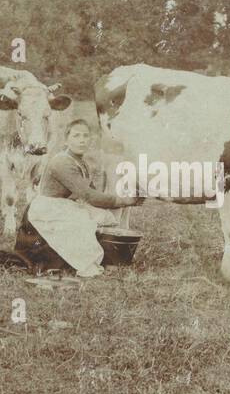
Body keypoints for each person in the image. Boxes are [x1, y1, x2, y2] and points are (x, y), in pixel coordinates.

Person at [26, 119, 143, 278]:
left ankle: (110, 258)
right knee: (83, 224)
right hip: (48, 209)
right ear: (66, 140)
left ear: (90, 140)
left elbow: (92, 193)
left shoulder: (82, 163)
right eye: (76, 136)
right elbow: (89, 195)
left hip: (65, 205)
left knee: (104, 217)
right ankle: (88, 265)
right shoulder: (61, 161)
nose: (81, 140)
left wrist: (127, 199)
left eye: (85, 136)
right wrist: (123, 200)